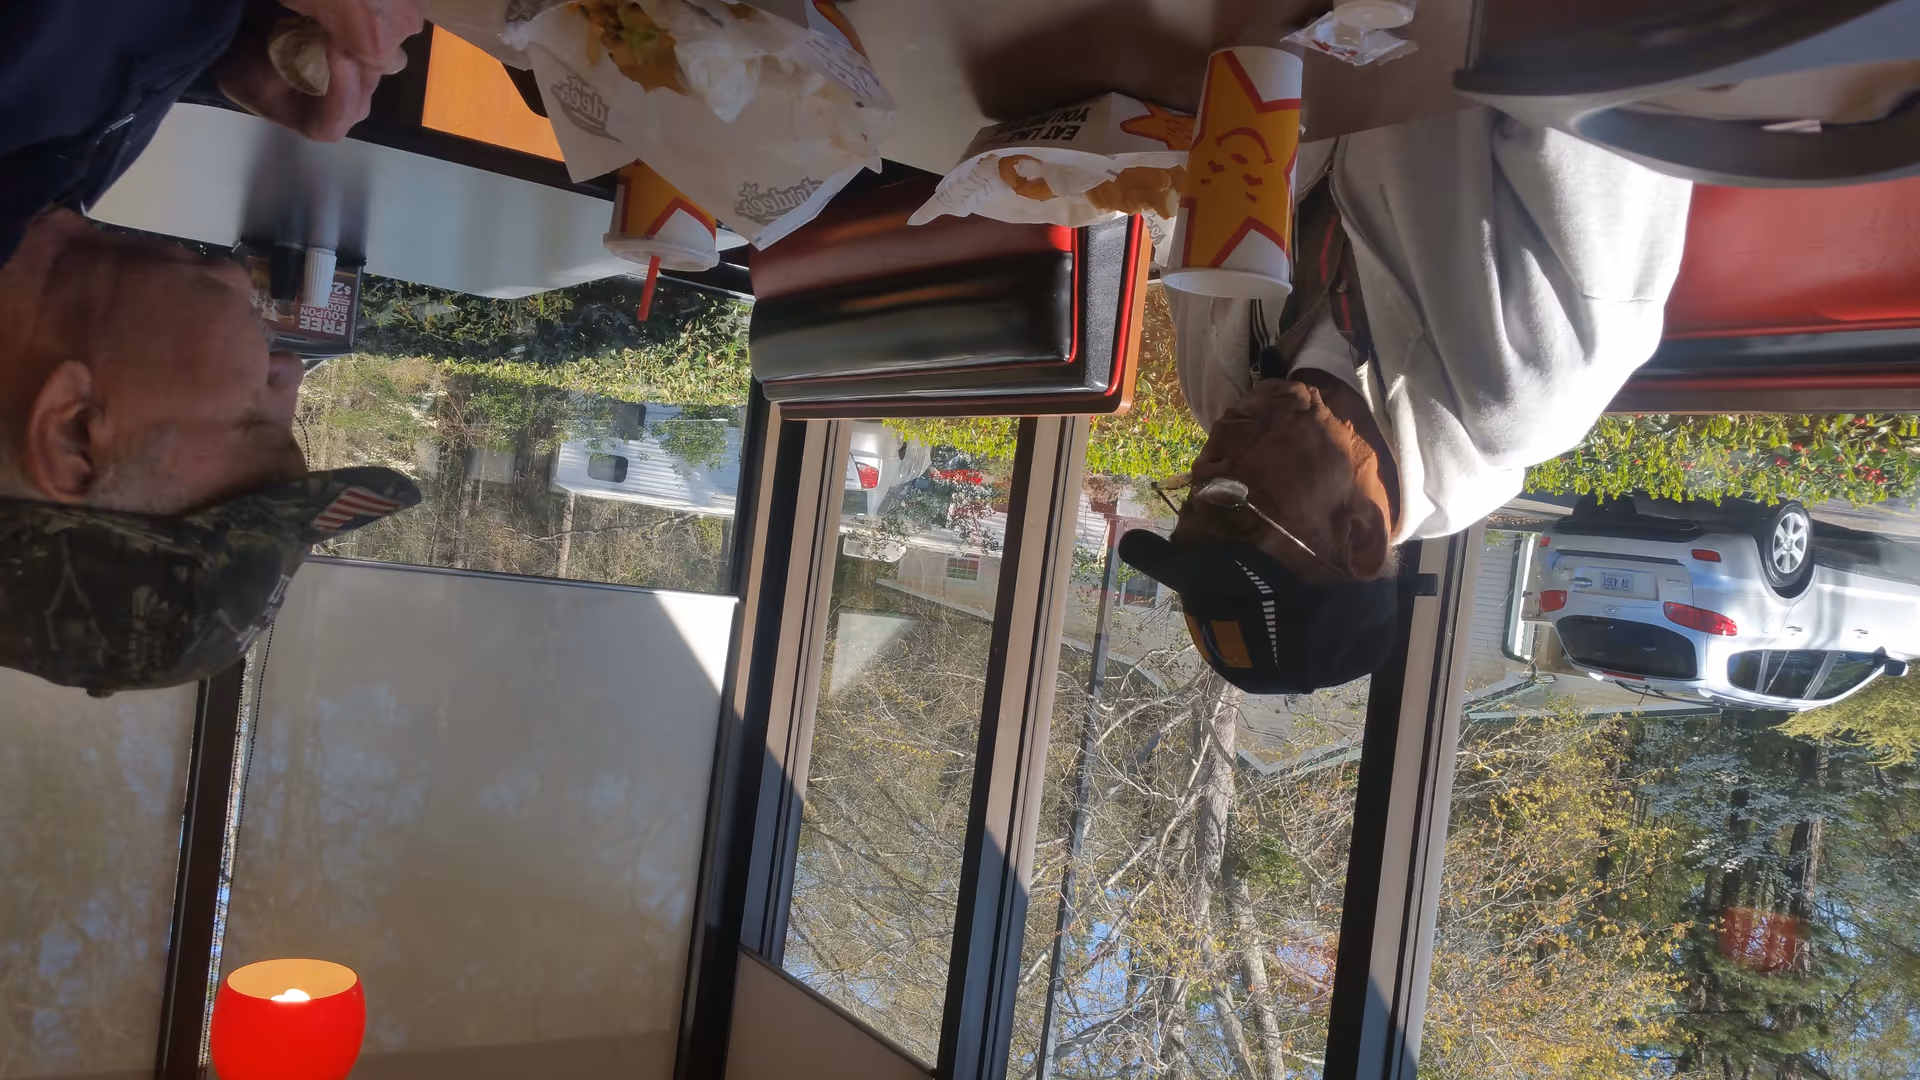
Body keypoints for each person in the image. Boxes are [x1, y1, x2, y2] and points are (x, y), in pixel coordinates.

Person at [1120, 108, 1693, 694]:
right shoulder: (1525, 381)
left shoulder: (1217, 388)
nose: (1207, 465)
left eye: (1189, 498)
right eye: (1233, 505)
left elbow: (1188, 179)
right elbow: (1594, 89)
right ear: (1361, 534)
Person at [0, 0, 428, 691]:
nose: (289, 376)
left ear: (74, 433)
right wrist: (231, 46)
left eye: (254, 426)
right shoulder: (46, 191)